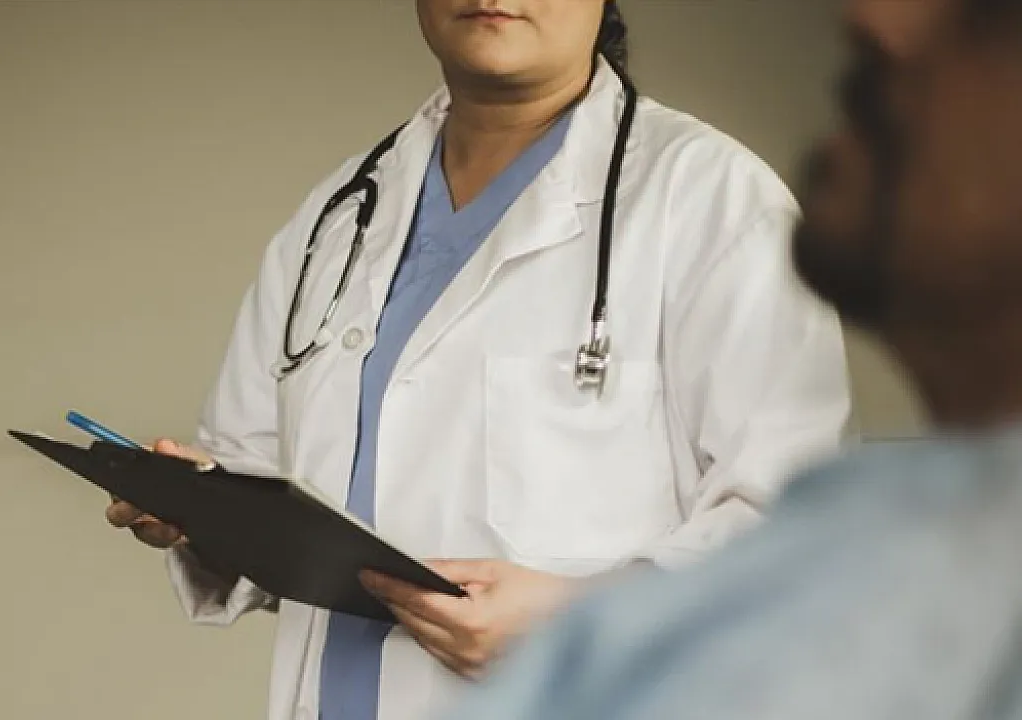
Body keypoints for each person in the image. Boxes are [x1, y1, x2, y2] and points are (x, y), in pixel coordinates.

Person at [106, 2, 851, 719]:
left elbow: (799, 524)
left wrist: (579, 617)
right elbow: (258, 472)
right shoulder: (337, 216)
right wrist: (198, 510)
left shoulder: (713, 200)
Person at [438, 0, 1022, 718]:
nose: (870, 18)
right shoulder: (898, 529)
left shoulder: (905, 596)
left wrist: (569, 615)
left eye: (988, 13)